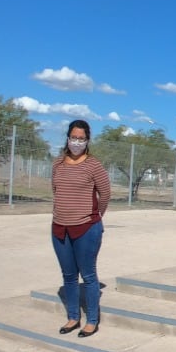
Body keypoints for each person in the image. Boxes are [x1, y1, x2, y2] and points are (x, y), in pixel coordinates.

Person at [51, 120, 111, 337]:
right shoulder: (58, 163)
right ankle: (73, 317)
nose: (77, 142)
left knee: (88, 275)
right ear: (68, 137)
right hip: (60, 228)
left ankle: (92, 321)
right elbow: (56, 190)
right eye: (73, 137)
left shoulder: (93, 165)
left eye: (81, 139)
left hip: (86, 228)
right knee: (68, 276)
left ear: (87, 141)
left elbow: (105, 194)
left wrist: (95, 217)